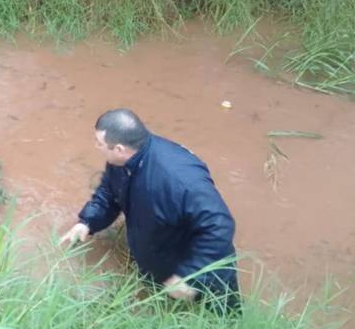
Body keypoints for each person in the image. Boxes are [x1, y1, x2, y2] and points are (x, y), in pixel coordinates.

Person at [60, 109, 239, 309]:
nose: (97, 147)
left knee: (220, 321)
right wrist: (87, 222)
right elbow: (110, 193)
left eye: (99, 144)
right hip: (160, 255)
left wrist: (190, 276)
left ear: (119, 148)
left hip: (201, 269)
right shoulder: (122, 160)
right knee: (161, 310)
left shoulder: (180, 180)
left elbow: (219, 225)